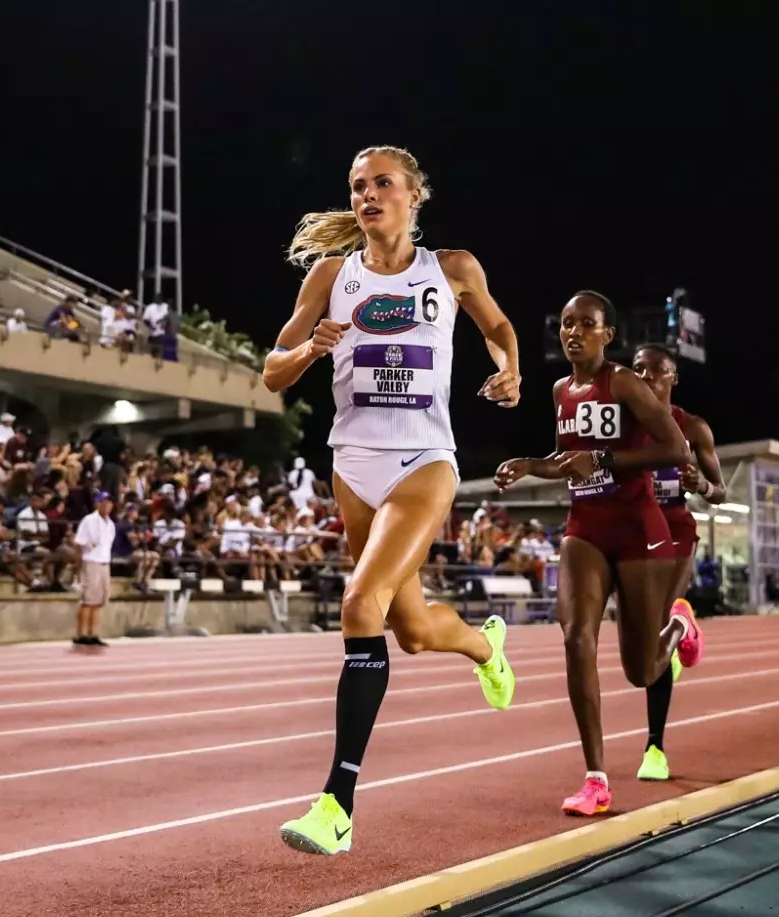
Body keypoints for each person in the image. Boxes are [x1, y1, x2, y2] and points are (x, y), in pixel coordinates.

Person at [263, 145, 521, 855]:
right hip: (353, 466)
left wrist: (512, 371)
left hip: (423, 460)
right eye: (357, 186)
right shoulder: (329, 276)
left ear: (415, 195)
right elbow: (271, 374)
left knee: (357, 604)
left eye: (382, 183)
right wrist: (311, 350)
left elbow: (498, 328)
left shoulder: (453, 268)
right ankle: (483, 643)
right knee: (408, 628)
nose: (368, 195)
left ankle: (336, 805)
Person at [492, 291, 699, 817]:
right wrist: (529, 465)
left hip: (636, 527)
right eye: (566, 323)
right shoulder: (561, 389)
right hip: (584, 528)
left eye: (587, 323)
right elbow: (569, 461)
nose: (573, 331)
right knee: (576, 635)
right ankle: (596, 779)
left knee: (641, 672)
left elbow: (675, 450)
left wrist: (604, 458)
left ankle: (679, 627)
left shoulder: (623, 382)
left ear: (608, 335)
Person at [628, 343, 723, 781]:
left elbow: (720, 491)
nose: (645, 376)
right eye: (637, 369)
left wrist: (701, 481)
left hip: (676, 529)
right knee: (645, 640)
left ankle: (655, 748)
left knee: (660, 626)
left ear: (673, 378)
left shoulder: (693, 428)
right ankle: (682, 626)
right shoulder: (619, 426)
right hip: (633, 532)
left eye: (654, 370)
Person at [72, 491, 116, 647]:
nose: (107, 505)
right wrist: (78, 565)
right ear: (97, 503)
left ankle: (93, 633)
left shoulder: (110, 524)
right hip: (91, 561)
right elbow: (78, 542)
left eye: (109, 502)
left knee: (99, 601)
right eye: (103, 502)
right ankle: (80, 634)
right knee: (88, 600)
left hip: (104, 562)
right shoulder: (89, 520)